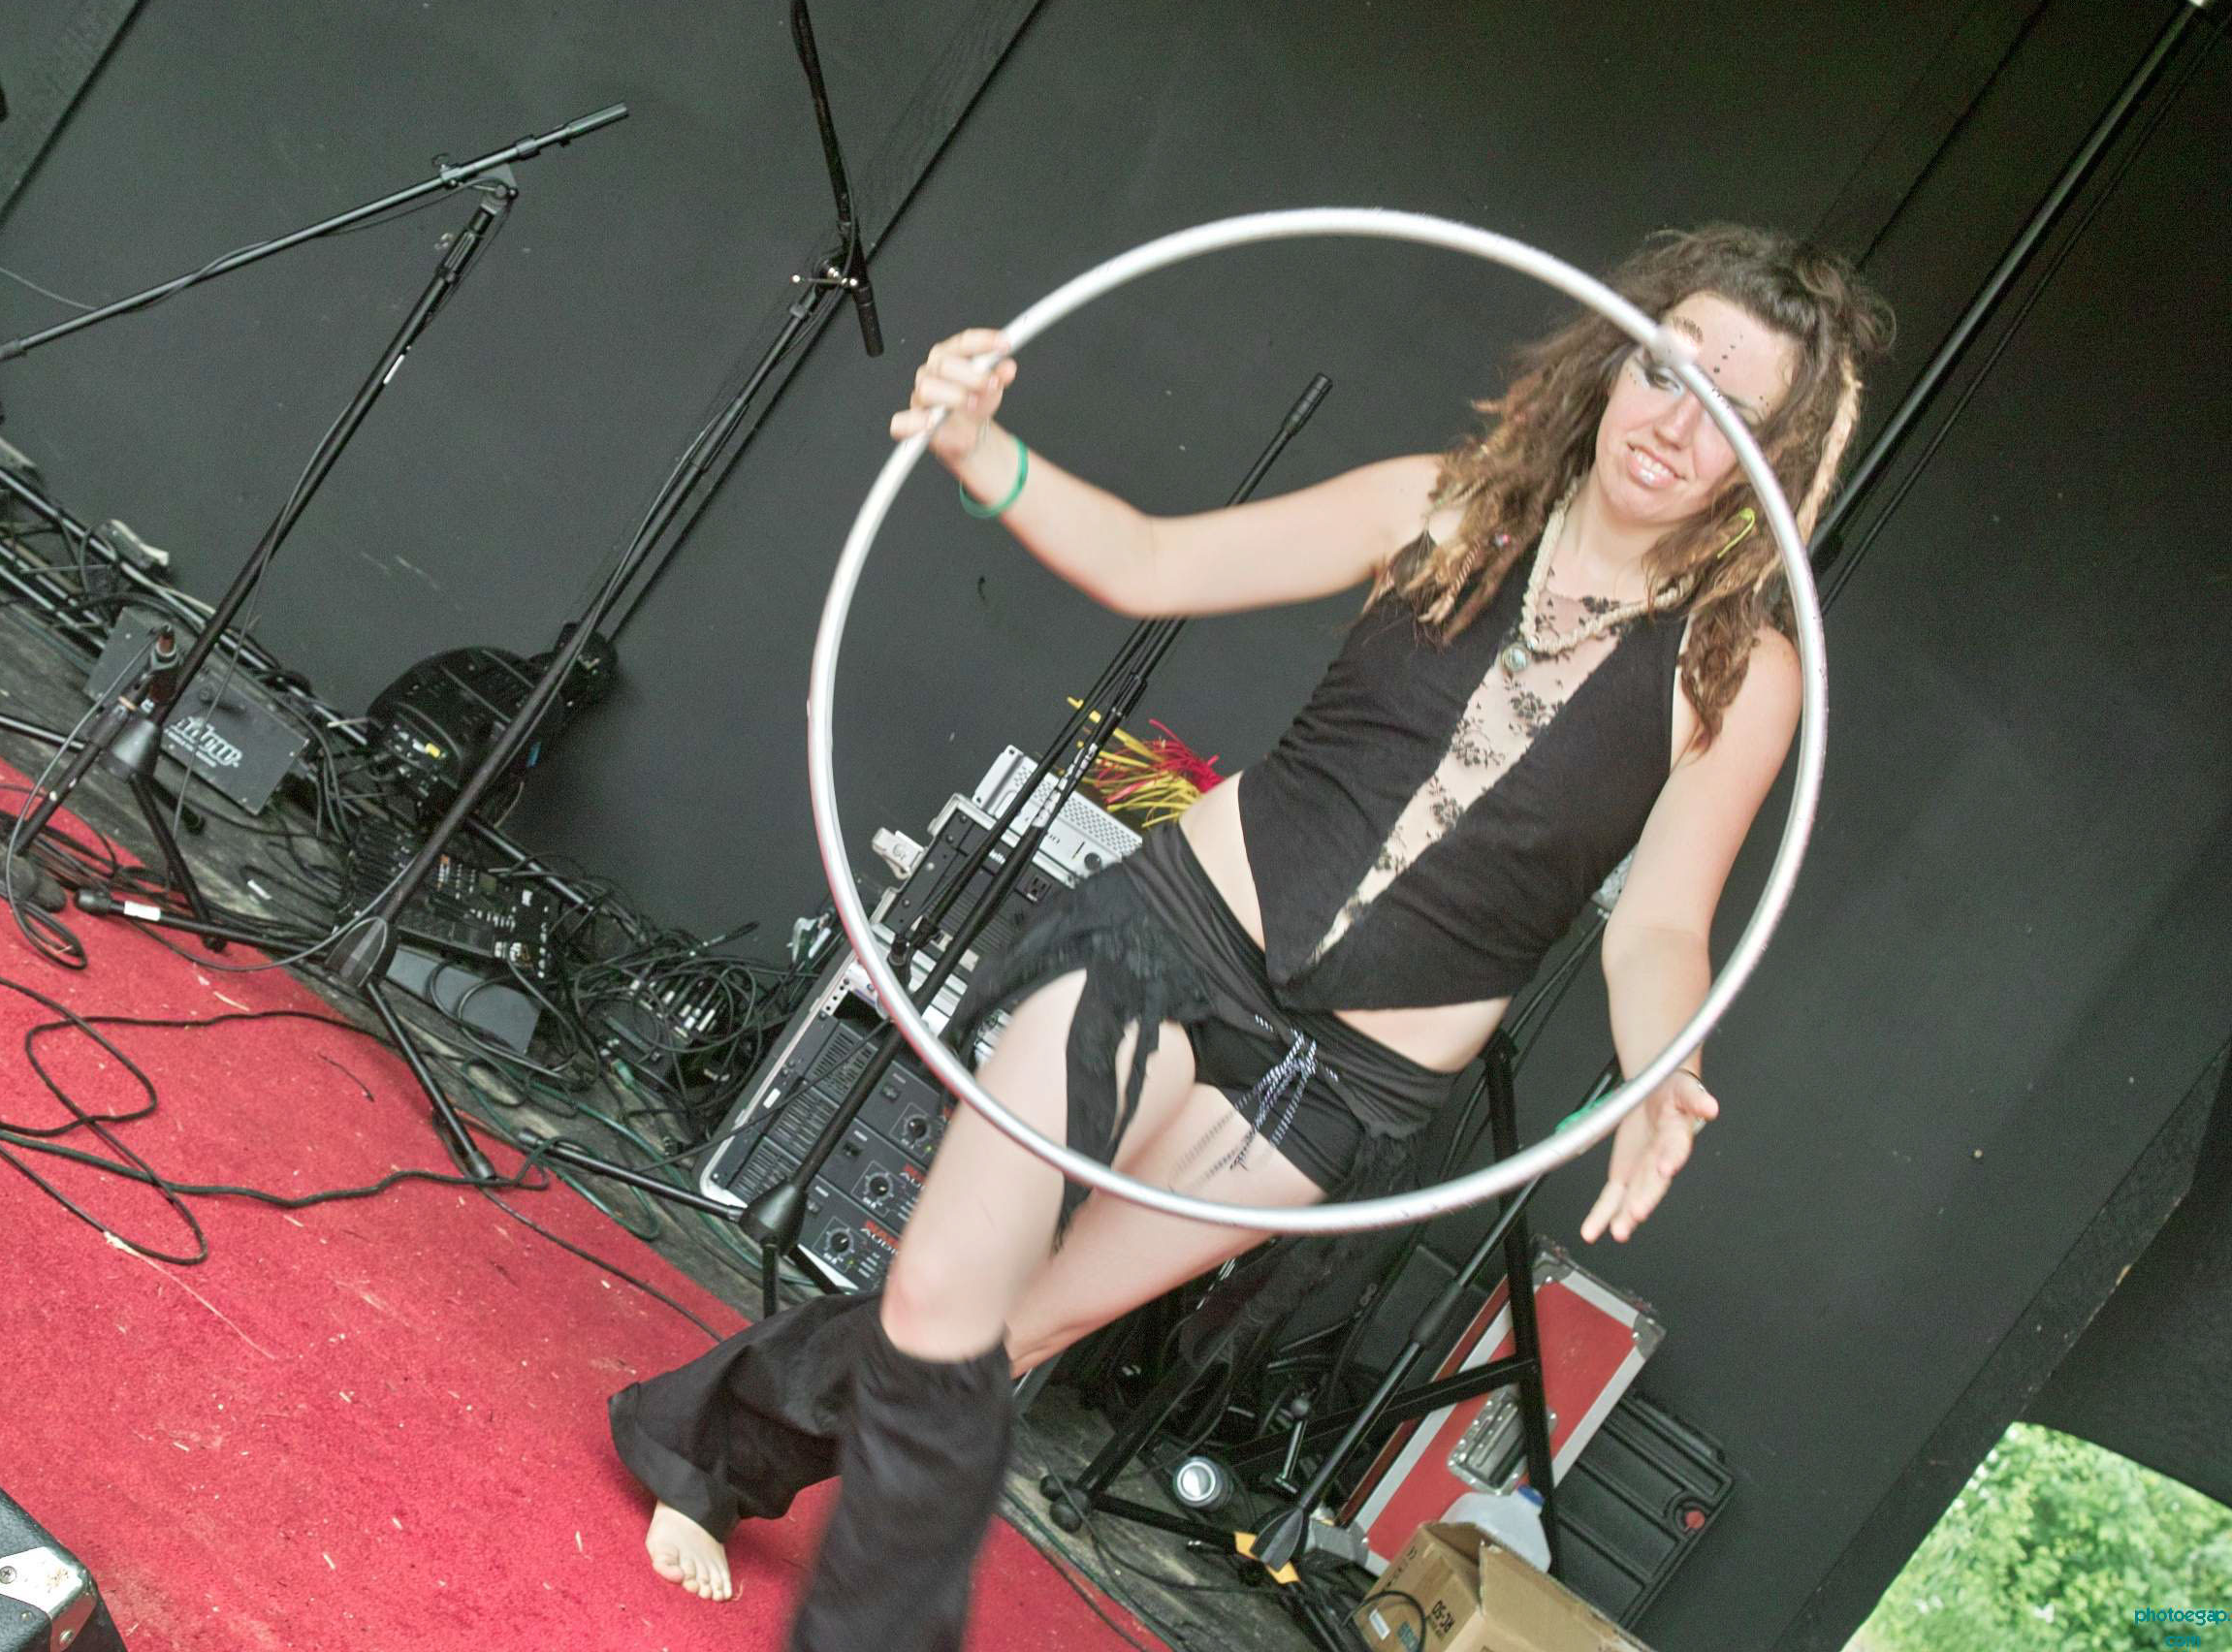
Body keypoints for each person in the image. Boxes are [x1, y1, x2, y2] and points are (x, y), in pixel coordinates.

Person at [609, 222, 1891, 1648]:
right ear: (1615, 358)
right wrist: (983, 453)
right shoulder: (1444, 503)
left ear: (1766, 462)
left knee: (1017, 1332)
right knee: (944, 1293)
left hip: (1341, 1083)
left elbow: (1658, 924)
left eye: (1731, 408)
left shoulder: (1741, 673)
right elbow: (1154, 562)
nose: (1676, 420)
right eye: (1668, 365)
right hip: (1172, 947)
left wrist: (1664, 1071)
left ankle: (702, 1443)